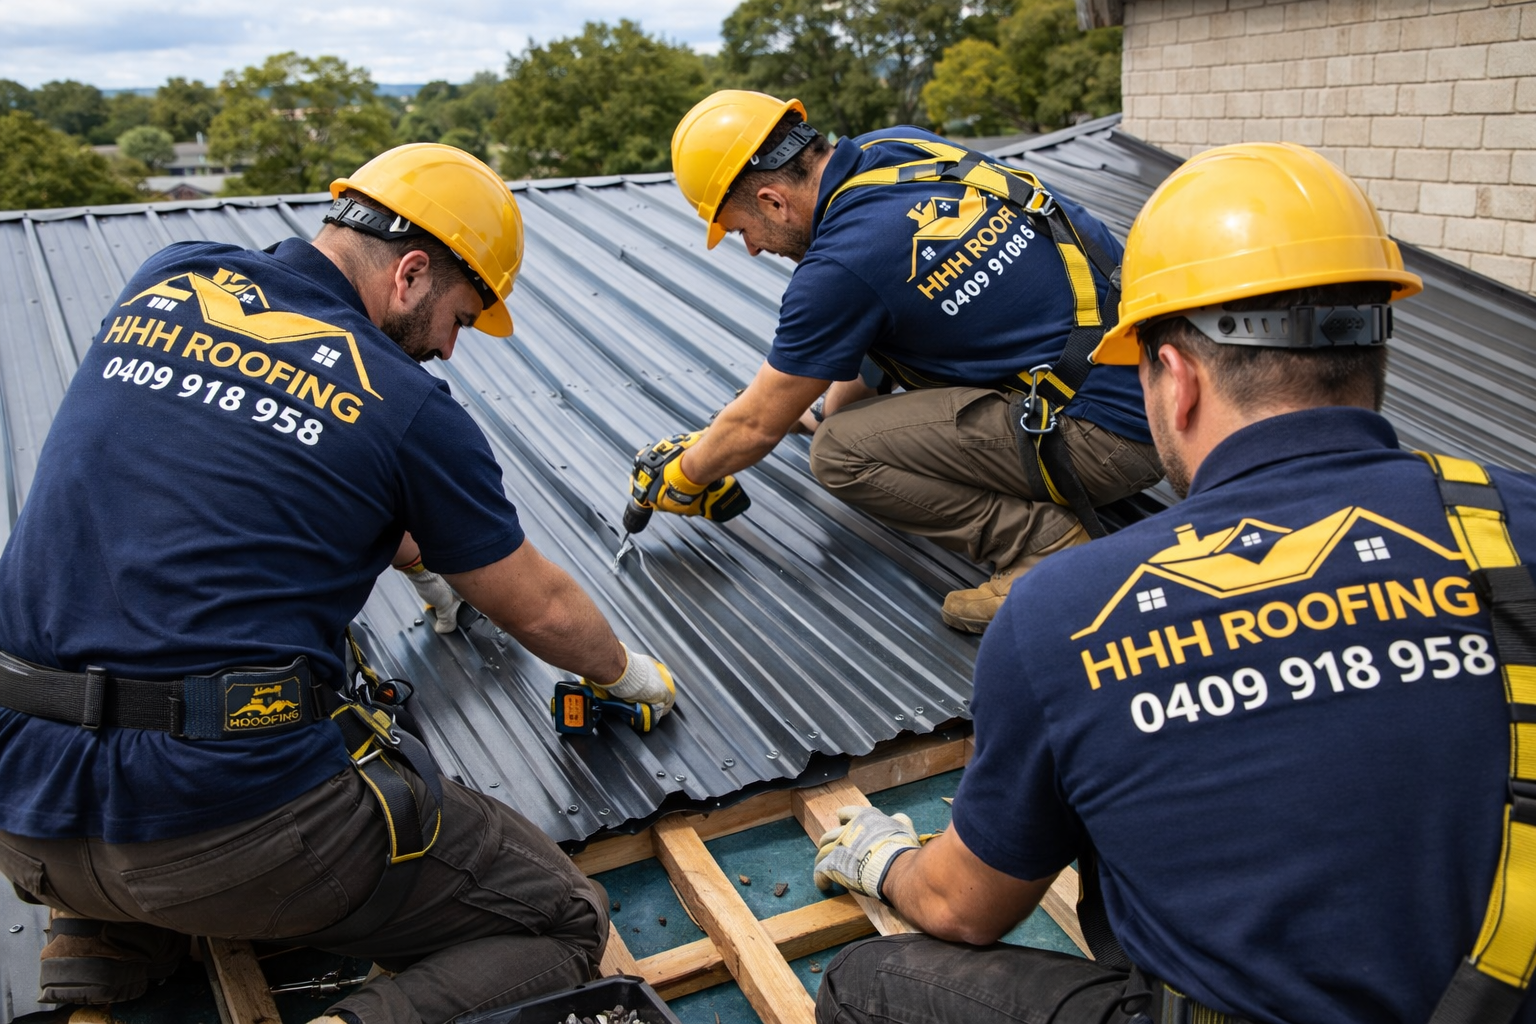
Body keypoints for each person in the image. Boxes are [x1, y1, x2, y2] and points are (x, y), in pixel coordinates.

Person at [808, 142, 1536, 1023]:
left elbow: (964, 908)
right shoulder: (1510, 520)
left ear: (1176, 378)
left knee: (868, 985)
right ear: (1373, 345)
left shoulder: (1066, 611)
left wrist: (885, 859)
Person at [0, 143, 677, 1024]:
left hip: (23, 816)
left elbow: (242, 461)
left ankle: (103, 937)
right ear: (411, 273)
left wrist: (420, 552)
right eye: (461, 320)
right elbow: (539, 604)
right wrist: (624, 672)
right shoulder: (411, 407)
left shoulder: (171, 279)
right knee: (556, 919)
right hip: (228, 840)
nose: (448, 347)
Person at [628, 90, 1162, 634]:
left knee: (838, 454)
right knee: (835, 426)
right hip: (1166, 387)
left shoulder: (838, 268)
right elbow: (887, 324)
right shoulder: (903, 148)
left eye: (742, 230)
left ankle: (1040, 546)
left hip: (1112, 442)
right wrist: (815, 413)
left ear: (771, 201)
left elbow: (756, 423)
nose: (752, 249)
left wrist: (686, 475)